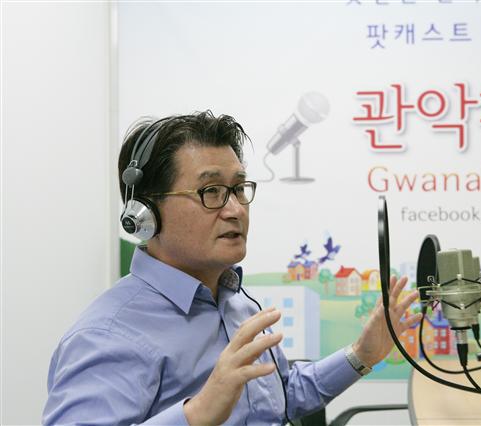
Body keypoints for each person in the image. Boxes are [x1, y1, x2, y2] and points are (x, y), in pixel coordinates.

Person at [43, 111, 421, 425]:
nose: (235, 209)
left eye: (239, 188)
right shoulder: (108, 334)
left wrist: (361, 355)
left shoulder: (236, 302)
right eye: (211, 191)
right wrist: (195, 415)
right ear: (145, 213)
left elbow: (279, 398)